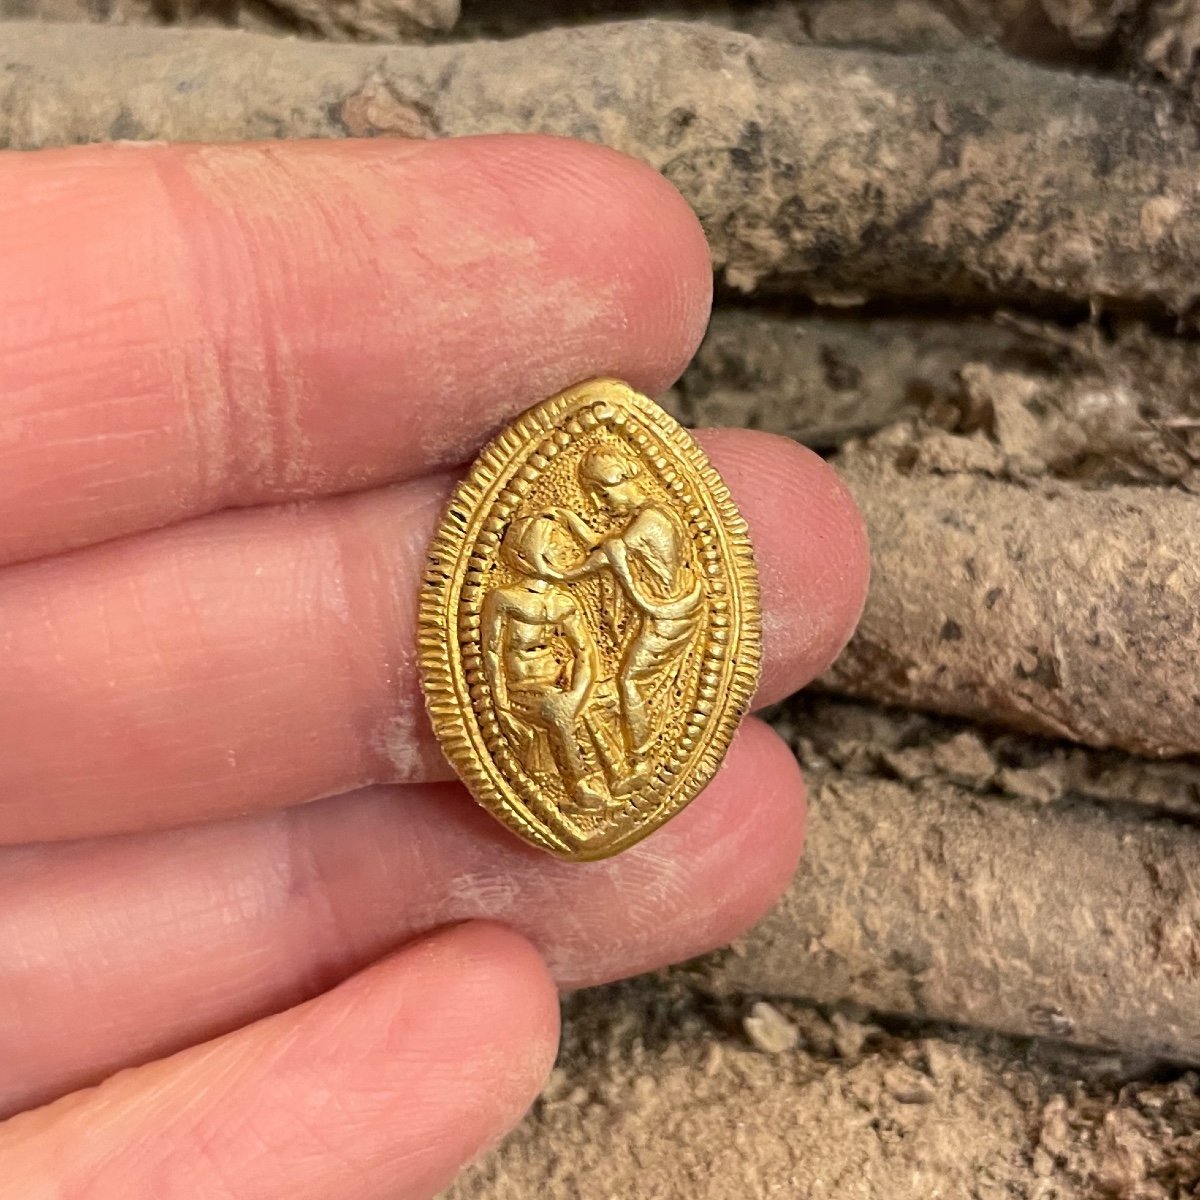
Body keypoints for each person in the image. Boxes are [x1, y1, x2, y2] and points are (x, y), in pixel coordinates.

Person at [0, 136, 869, 1198]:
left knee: (608, 716)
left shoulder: (637, 537)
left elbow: (663, 600)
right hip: (543, 652)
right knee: (567, 719)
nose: (600, 503)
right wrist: (560, 604)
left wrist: (631, 601)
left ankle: (597, 758)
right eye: (593, 493)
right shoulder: (548, 558)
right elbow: (523, 601)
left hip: (616, 647)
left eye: (608, 494)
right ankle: (590, 757)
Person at [551, 445, 704, 785]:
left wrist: (560, 574)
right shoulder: (657, 513)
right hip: (670, 612)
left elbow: (606, 554)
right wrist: (571, 521)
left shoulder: (648, 523)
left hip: (668, 619)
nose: (600, 505)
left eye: (603, 495)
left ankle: (641, 763)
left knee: (629, 681)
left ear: (621, 479)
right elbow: (604, 544)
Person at [481, 512, 609, 812]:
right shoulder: (503, 599)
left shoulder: (564, 602)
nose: (563, 549)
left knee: (608, 700)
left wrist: (576, 694)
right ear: (530, 549)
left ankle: (618, 778)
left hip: (561, 688)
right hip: (521, 691)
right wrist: (500, 708)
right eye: (553, 542)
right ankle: (579, 786)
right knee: (557, 713)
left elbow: (584, 653)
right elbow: (489, 652)